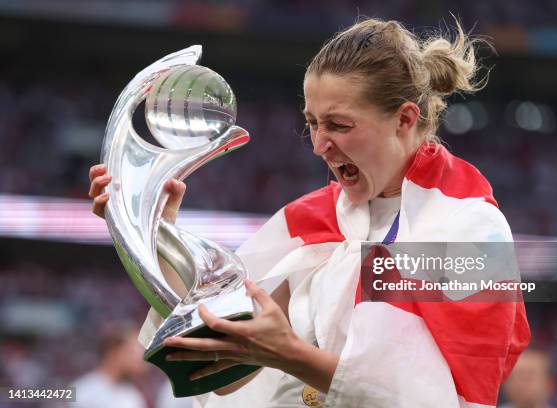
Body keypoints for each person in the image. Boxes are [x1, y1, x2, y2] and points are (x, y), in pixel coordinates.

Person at [89, 18, 531, 407]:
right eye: (313, 123)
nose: (320, 145)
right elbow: (226, 367)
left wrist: (292, 355)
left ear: (404, 119)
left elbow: (453, 400)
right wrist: (156, 237)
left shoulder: (470, 228)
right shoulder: (309, 224)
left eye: (339, 125)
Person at [72, 324, 148, 408]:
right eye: (133, 352)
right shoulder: (83, 390)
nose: (140, 359)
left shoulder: (132, 396)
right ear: (114, 352)